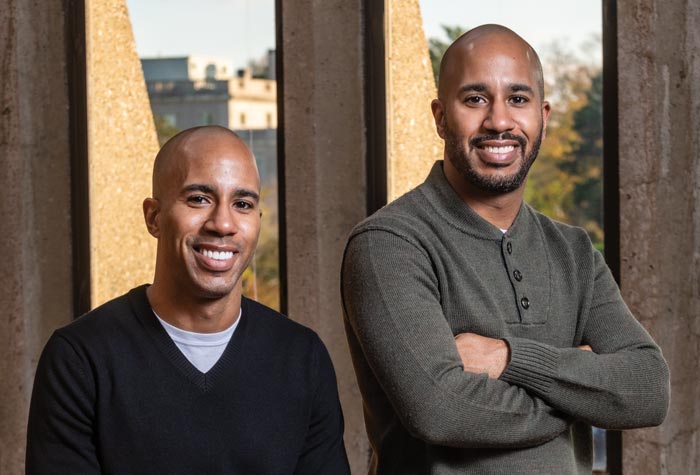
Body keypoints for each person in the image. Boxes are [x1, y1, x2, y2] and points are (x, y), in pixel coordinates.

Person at [341, 24, 669, 474]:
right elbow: (441, 410)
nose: (498, 121)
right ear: (439, 117)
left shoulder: (573, 251)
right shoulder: (390, 244)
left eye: (518, 98)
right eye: (475, 99)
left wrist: (508, 359)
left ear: (543, 116)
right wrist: (586, 394)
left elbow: (648, 389)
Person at [26, 126, 350, 474]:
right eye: (199, 199)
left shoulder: (302, 358)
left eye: (242, 204)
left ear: (257, 220)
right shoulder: (79, 358)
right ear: (153, 217)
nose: (223, 223)